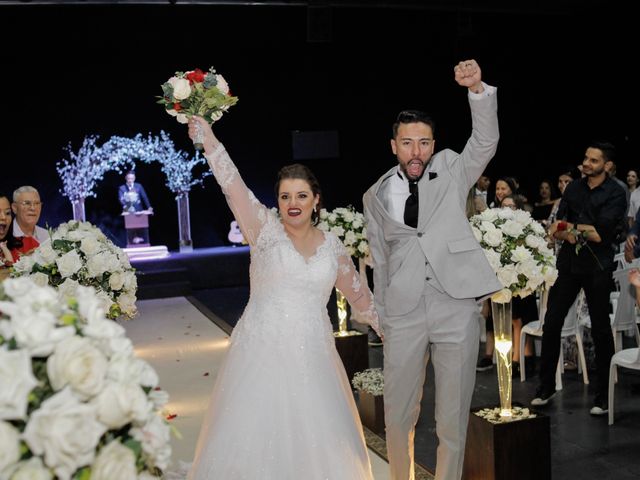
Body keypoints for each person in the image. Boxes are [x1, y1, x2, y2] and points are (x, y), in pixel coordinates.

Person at [185, 116, 382, 480]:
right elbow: (233, 186)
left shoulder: (332, 247)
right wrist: (209, 141)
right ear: (277, 200)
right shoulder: (262, 231)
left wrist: (390, 329)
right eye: (285, 196)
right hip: (261, 352)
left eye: (301, 195)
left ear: (316, 200)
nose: (293, 203)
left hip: (315, 356)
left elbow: (360, 296)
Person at [363, 59, 501, 480]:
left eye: (423, 142)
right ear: (393, 146)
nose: (416, 152)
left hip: (454, 303)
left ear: (433, 143)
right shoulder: (375, 195)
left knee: (452, 416)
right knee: (399, 414)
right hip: (402, 312)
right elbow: (379, 260)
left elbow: (485, 141)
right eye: (407, 143)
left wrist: (476, 90)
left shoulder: (452, 170)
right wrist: (382, 314)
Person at [531, 141, 626, 416]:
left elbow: (601, 235)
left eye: (593, 160)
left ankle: (602, 396)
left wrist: (572, 229)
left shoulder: (615, 194)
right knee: (552, 323)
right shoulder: (573, 188)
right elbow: (556, 227)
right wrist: (571, 230)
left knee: (600, 330)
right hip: (569, 266)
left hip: (598, 266)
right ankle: (546, 387)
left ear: (606, 165)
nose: (587, 163)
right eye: (586, 158)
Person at [476, 194, 538, 377]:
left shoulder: (526, 229)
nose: (506, 210)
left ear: (518, 209)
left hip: (521, 283)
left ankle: (519, 359)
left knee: (518, 318)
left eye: (510, 206)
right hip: (502, 283)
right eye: (503, 206)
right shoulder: (494, 230)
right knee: (505, 319)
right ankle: (511, 359)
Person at [118, 171, 153, 245]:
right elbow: (121, 199)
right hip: (128, 211)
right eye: (129, 178)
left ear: (134, 178)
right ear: (126, 178)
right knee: (131, 228)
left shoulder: (138, 186)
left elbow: (144, 197)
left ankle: (143, 242)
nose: (130, 180)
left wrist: (149, 207)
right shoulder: (122, 188)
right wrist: (126, 207)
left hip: (139, 210)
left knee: (141, 227)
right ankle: (132, 242)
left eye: (132, 178)